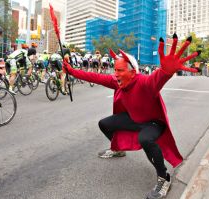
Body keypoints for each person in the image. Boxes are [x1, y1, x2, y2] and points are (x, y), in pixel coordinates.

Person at [62, 34, 201, 199]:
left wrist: (165, 72)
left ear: (132, 72)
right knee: (104, 124)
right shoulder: (116, 81)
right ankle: (119, 150)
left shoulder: (143, 83)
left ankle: (164, 177)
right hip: (134, 119)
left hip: (153, 123)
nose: (116, 74)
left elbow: (156, 79)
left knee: (145, 139)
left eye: (120, 70)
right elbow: (95, 77)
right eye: (115, 70)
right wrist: (71, 71)